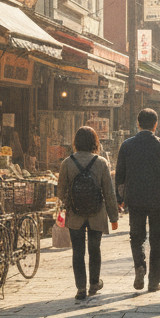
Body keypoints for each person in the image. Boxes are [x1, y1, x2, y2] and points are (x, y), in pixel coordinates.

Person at [115, 108, 160, 293]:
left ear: (138, 123)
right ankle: (153, 282)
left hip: (135, 199)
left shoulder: (127, 145)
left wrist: (120, 198)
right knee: (157, 240)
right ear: (155, 125)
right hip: (158, 199)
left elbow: (119, 175)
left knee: (136, 237)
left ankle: (140, 266)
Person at [57, 126, 121, 301]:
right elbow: (109, 193)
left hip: (74, 214)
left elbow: (60, 192)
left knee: (77, 251)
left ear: (76, 142)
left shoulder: (67, 163)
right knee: (94, 249)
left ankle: (80, 288)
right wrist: (114, 218)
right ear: (95, 142)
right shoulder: (101, 162)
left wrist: (66, 207)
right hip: (97, 214)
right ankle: (94, 283)